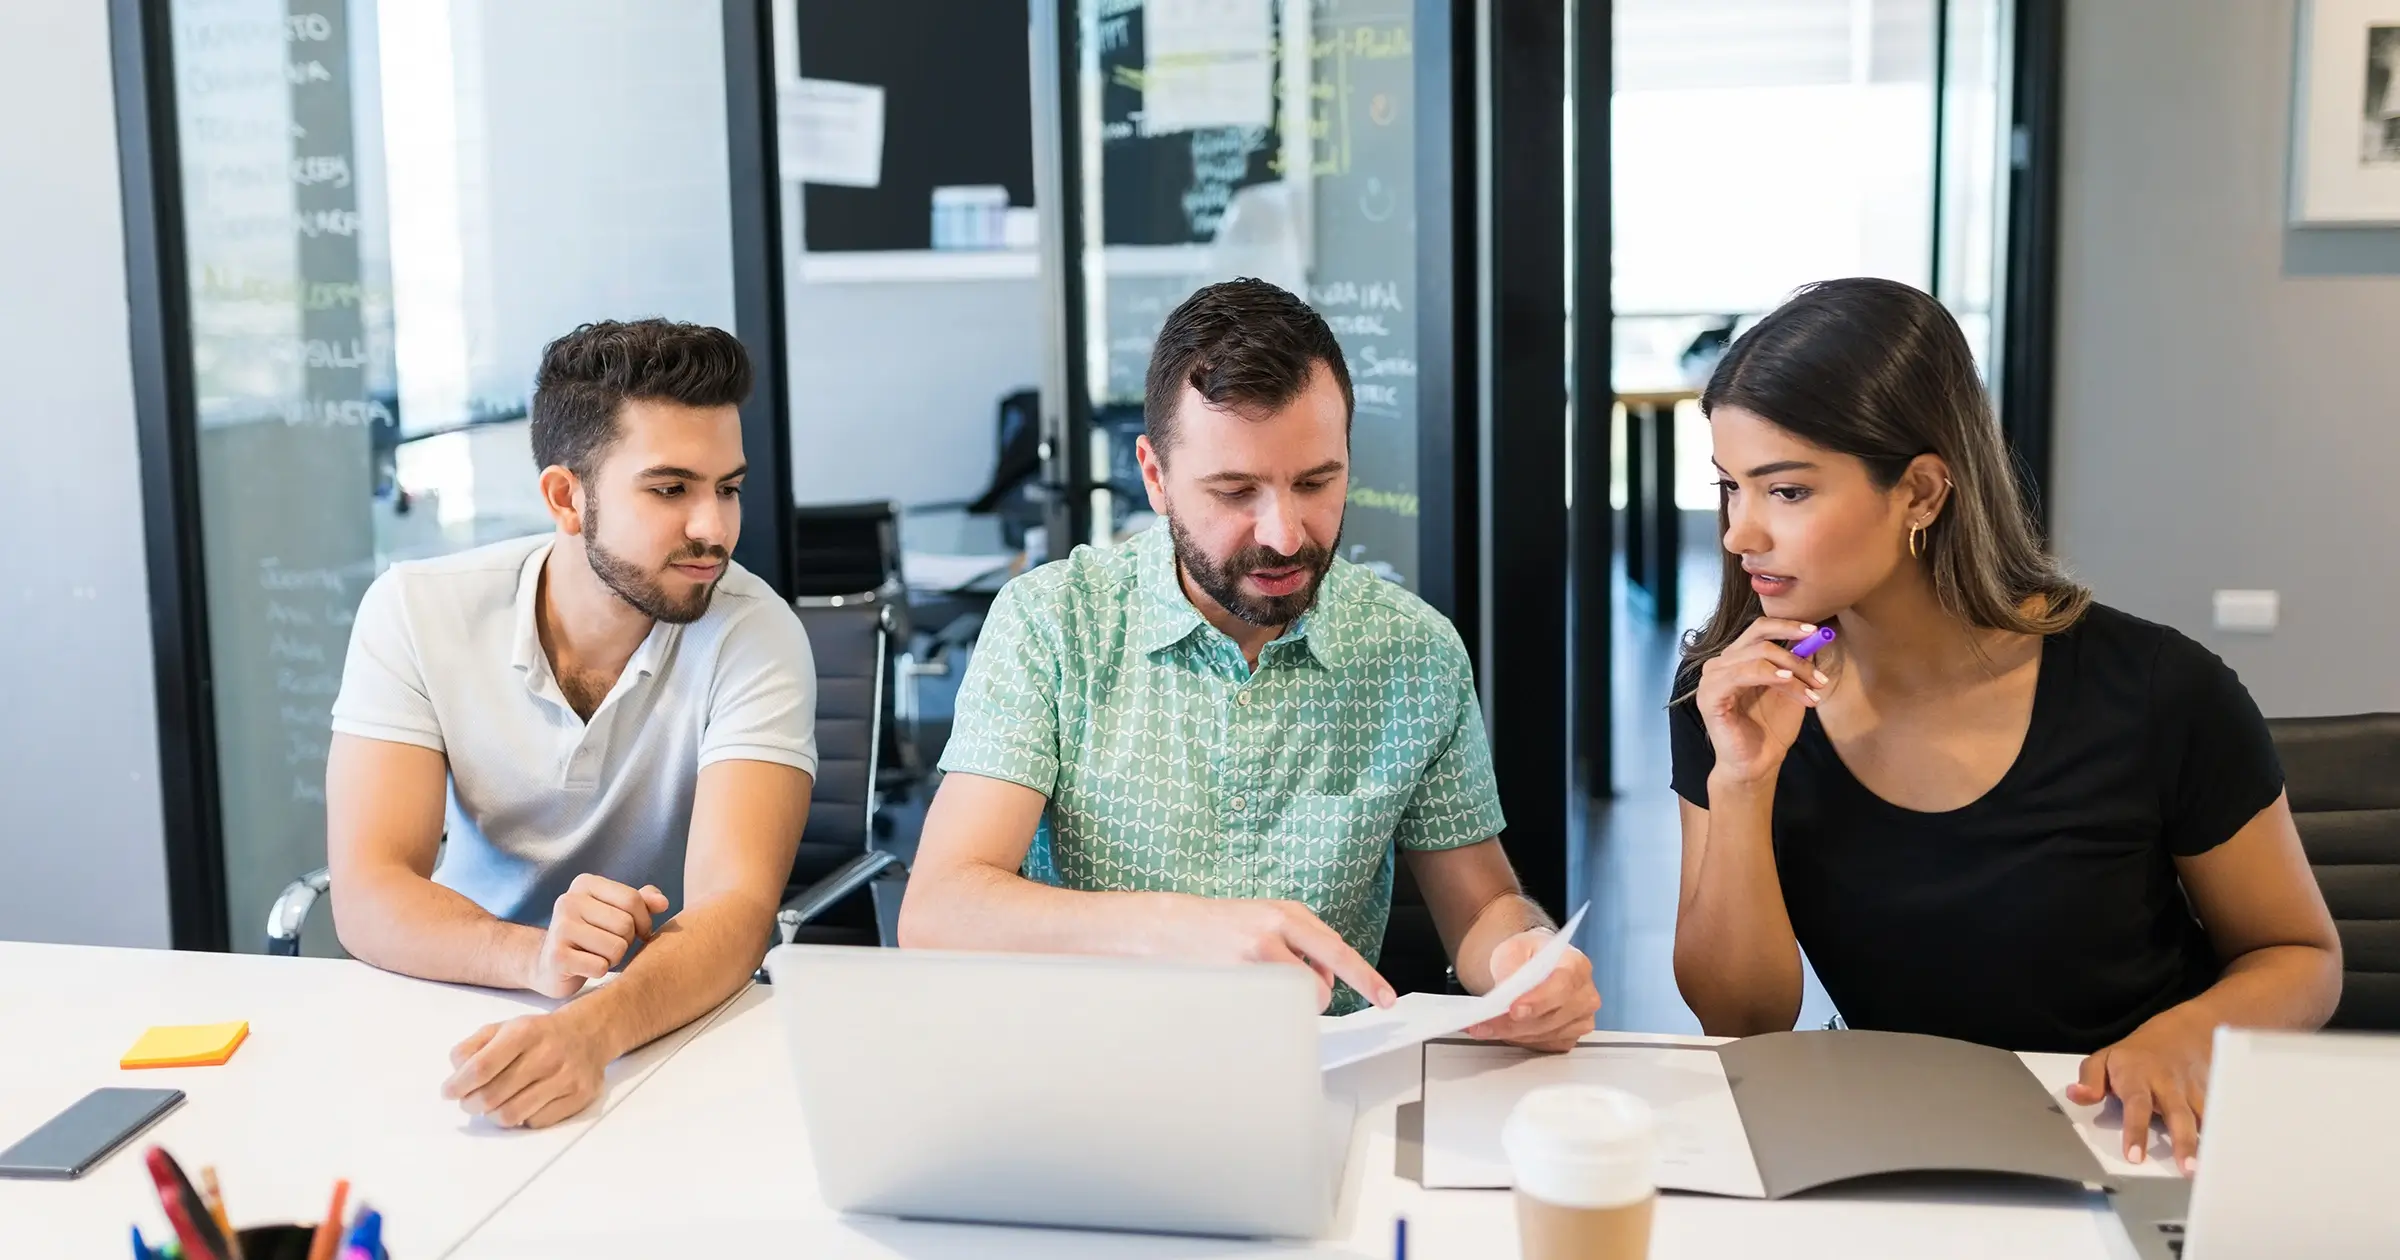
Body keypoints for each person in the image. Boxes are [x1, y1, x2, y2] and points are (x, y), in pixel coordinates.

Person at [1669, 278, 2341, 1172]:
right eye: (1728, 489)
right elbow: (1740, 1022)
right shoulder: (1732, 693)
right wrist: (1742, 784)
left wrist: (2187, 1037)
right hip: (1885, 1144)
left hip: (2124, 1134)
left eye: (1785, 492)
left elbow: (2298, 954)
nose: (1738, 534)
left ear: (1920, 491)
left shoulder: (2159, 691)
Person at [900, 278, 1601, 1050]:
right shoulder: (1055, 623)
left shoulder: (1413, 651)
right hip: (1086, 1071)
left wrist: (1522, 959)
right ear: (1156, 478)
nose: (1285, 533)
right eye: (1235, 491)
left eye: (1315, 483)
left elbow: (1480, 908)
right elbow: (940, 910)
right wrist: (1180, 929)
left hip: (1323, 1080)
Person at [326, 319, 817, 1129]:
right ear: (565, 497)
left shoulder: (754, 634)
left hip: (663, 1022)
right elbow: (371, 889)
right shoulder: (416, 610)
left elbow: (735, 910)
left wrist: (593, 1026)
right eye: (670, 489)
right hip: (450, 997)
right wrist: (536, 959)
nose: (715, 529)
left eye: (727, 487)